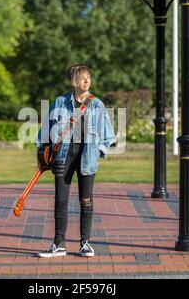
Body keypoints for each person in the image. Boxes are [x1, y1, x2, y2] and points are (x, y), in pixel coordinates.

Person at [34, 64, 117, 258]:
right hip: (63, 155)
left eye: (88, 77)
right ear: (74, 81)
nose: (87, 81)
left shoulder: (97, 104)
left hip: (87, 155)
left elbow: (108, 136)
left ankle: (85, 243)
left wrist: (99, 152)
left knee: (86, 201)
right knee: (60, 201)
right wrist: (41, 154)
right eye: (82, 78)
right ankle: (59, 244)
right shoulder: (59, 102)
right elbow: (45, 131)